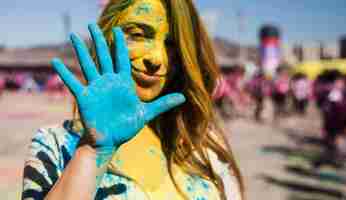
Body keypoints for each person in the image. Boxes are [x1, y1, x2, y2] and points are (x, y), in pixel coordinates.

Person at [21, 0, 244, 199]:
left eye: (171, 45)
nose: (157, 59)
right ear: (106, 35)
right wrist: (93, 151)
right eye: (138, 34)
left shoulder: (205, 145)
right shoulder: (55, 146)